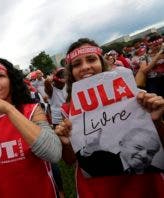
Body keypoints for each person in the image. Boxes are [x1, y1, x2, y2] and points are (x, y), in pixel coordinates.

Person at [55, 38, 164, 198]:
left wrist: (156, 120)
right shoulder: (67, 109)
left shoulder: (133, 93)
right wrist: (65, 143)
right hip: (97, 187)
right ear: (71, 72)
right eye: (77, 64)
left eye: (91, 59)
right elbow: (70, 161)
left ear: (102, 63)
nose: (85, 67)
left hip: (142, 184)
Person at [0, 57, 62, 198]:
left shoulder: (31, 110)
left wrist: (8, 109)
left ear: (11, 81)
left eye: (0, 75)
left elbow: (54, 153)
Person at [76, 128, 162, 177]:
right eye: (138, 148)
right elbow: (80, 161)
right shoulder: (102, 160)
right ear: (122, 144)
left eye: (151, 153)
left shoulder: (158, 173)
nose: (144, 155)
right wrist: (88, 150)